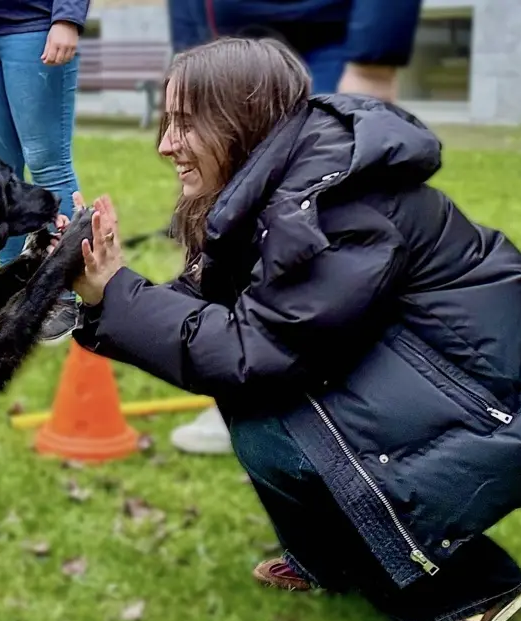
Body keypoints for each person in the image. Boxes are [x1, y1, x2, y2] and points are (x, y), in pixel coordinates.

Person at [61, 37, 521, 621]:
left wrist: (118, 293)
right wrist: (99, 296)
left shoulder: (334, 210)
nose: (166, 144)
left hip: (504, 403)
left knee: (288, 422)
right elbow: (216, 317)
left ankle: (470, 591)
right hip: (456, 382)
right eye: (167, 122)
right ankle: (334, 558)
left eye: (186, 123)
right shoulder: (285, 186)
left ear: (242, 118)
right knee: (264, 415)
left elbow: (252, 352)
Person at [165, 0, 424, 452]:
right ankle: (247, 388)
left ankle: (332, 401)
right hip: (227, 44)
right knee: (232, 213)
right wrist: (194, 59)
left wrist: (373, 56)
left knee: (313, 218)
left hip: (330, 39)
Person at [0, 0, 89, 344]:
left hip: (35, 25)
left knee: (46, 163)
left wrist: (67, 17)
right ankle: (10, 294)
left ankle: (59, 298)